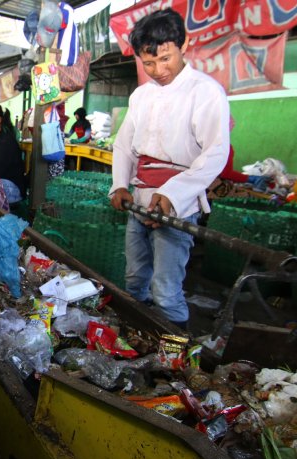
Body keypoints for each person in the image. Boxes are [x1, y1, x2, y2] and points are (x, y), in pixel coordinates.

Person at [109, 8, 230, 330]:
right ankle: (134, 335)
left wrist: (173, 194)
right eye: (148, 63)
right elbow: (124, 146)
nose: (158, 70)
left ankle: (174, 350)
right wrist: (120, 184)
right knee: (134, 279)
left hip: (178, 206)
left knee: (165, 289)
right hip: (139, 199)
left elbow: (215, 153)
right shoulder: (141, 96)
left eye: (165, 59)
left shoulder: (205, 91)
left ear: (184, 44)